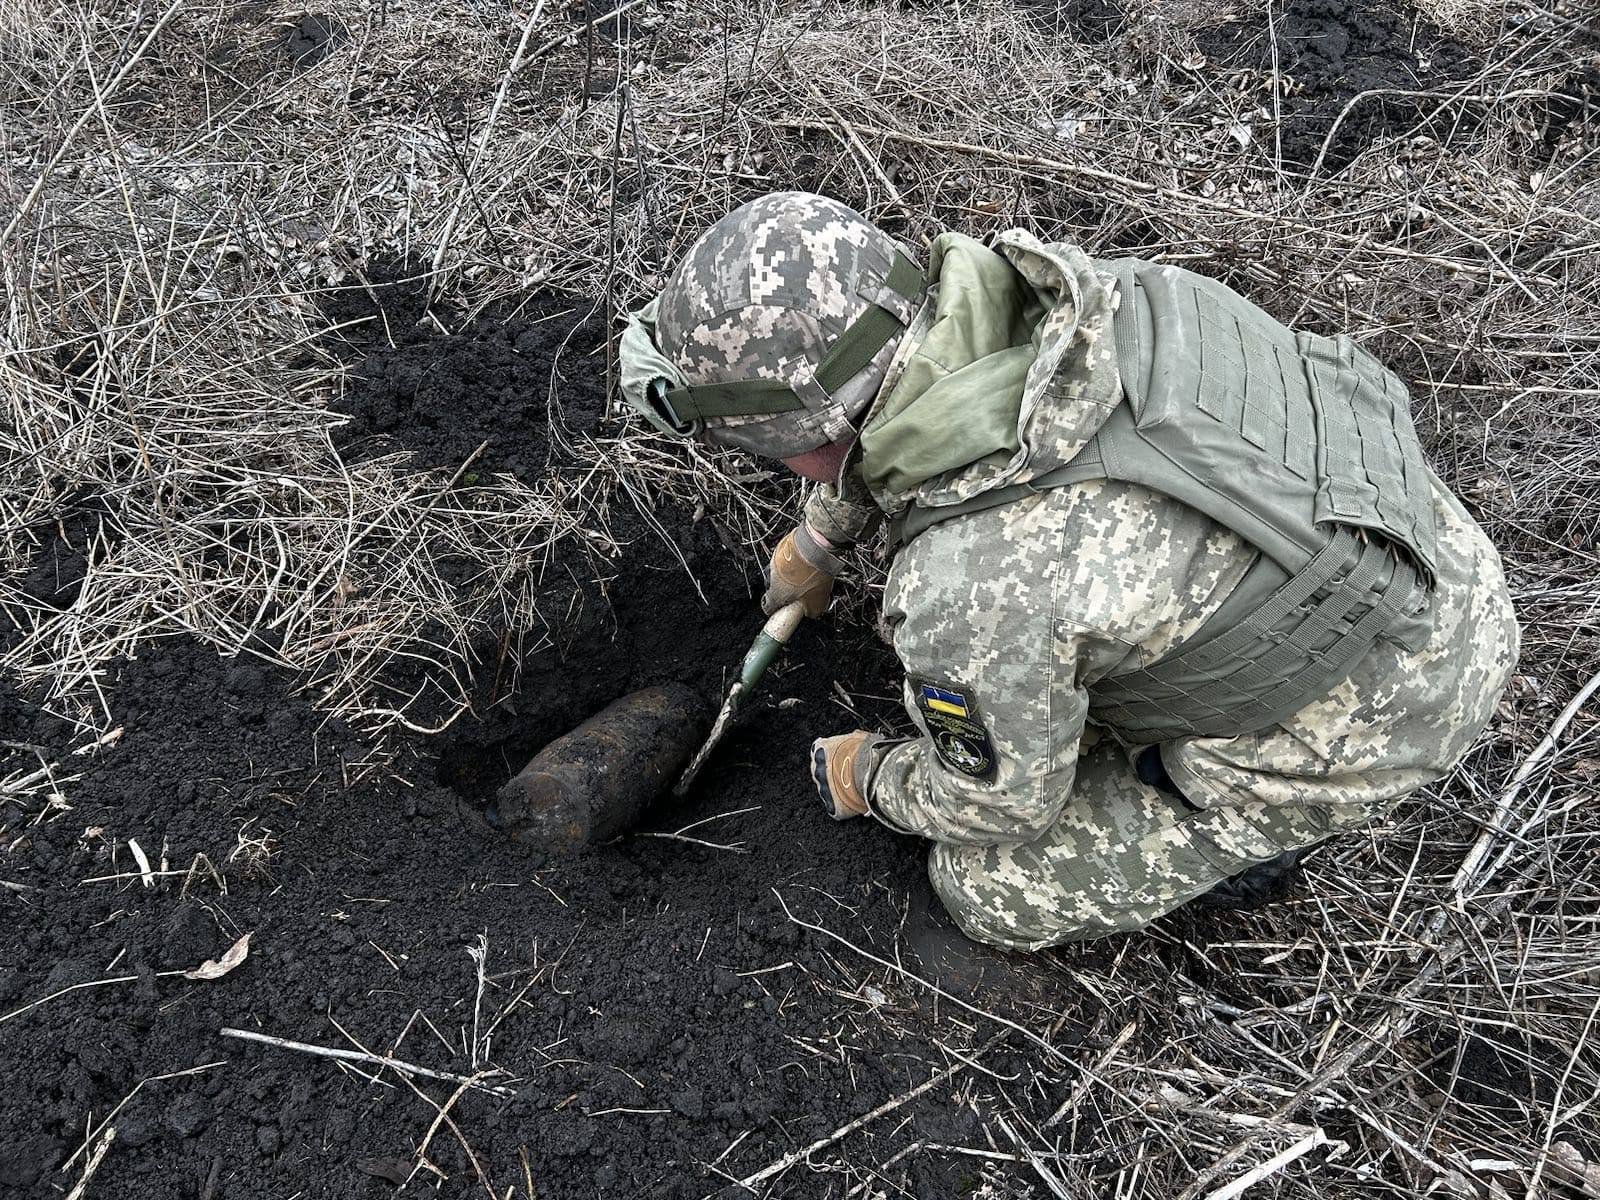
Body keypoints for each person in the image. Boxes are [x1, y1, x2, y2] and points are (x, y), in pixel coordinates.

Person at [618, 192, 1519, 951]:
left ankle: (1240, 823)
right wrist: (818, 542)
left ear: (806, 433)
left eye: (771, 452)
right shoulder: (1064, 302)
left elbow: (1002, 806)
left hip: (1390, 699)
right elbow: (890, 433)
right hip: (1416, 542)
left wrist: (874, 778)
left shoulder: (970, 587)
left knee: (984, 892)